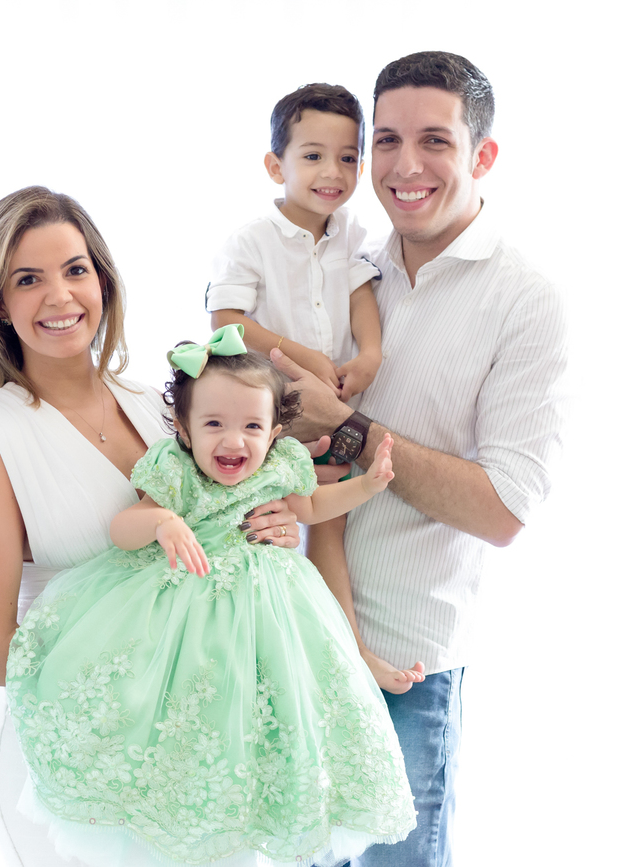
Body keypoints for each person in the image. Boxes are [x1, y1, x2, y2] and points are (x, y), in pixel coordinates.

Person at [270, 52, 570, 867]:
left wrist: (350, 427)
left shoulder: (524, 301)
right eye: (388, 140)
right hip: (293, 640)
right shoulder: (346, 267)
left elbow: (503, 509)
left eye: (435, 140)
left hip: (406, 666)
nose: (405, 167)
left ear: (483, 154)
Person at [0, 187, 303, 867]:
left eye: (75, 270)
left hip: (195, 754)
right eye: (28, 279)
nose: (59, 296)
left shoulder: (161, 408)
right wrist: (138, 690)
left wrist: (272, 528)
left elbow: (220, 541)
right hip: (79, 759)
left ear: (103, 281)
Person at [5, 324, 416, 867]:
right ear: (183, 427)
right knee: (191, 712)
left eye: (252, 426)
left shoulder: (280, 468)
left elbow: (314, 507)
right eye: (214, 424)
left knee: (278, 706)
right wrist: (162, 522)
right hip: (187, 608)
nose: (233, 441)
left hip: (272, 611)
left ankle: (257, 809)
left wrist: (367, 485)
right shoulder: (176, 472)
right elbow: (122, 529)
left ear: (274, 433)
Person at [206, 83, 422, 694]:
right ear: (276, 165)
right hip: (263, 418)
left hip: (327, 415)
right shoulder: (251, 240)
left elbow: (360, 298)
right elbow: (225, 325)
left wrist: (371, 354)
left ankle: (349, 651)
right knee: (259, 530)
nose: (333, 172)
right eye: (313, 156)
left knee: (329, 520)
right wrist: (302, 356)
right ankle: (259, 664)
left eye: (348, 157)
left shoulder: (350, 233)